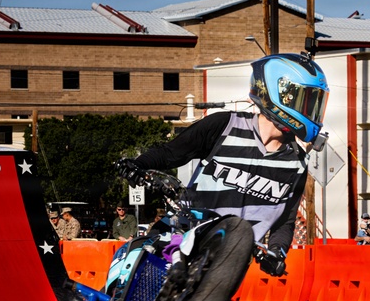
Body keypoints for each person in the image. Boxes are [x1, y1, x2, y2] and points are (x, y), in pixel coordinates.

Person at [116, 53, 329, 276]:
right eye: (307, 100)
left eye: (316, 103)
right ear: (281, 94)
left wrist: (277, 252)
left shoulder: (296, 164)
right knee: (130, 271)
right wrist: (137, 165)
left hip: (228, 258)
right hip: (181, 231)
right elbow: (170, 153)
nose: (312, 110)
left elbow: (285, 220)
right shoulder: (224, 125)